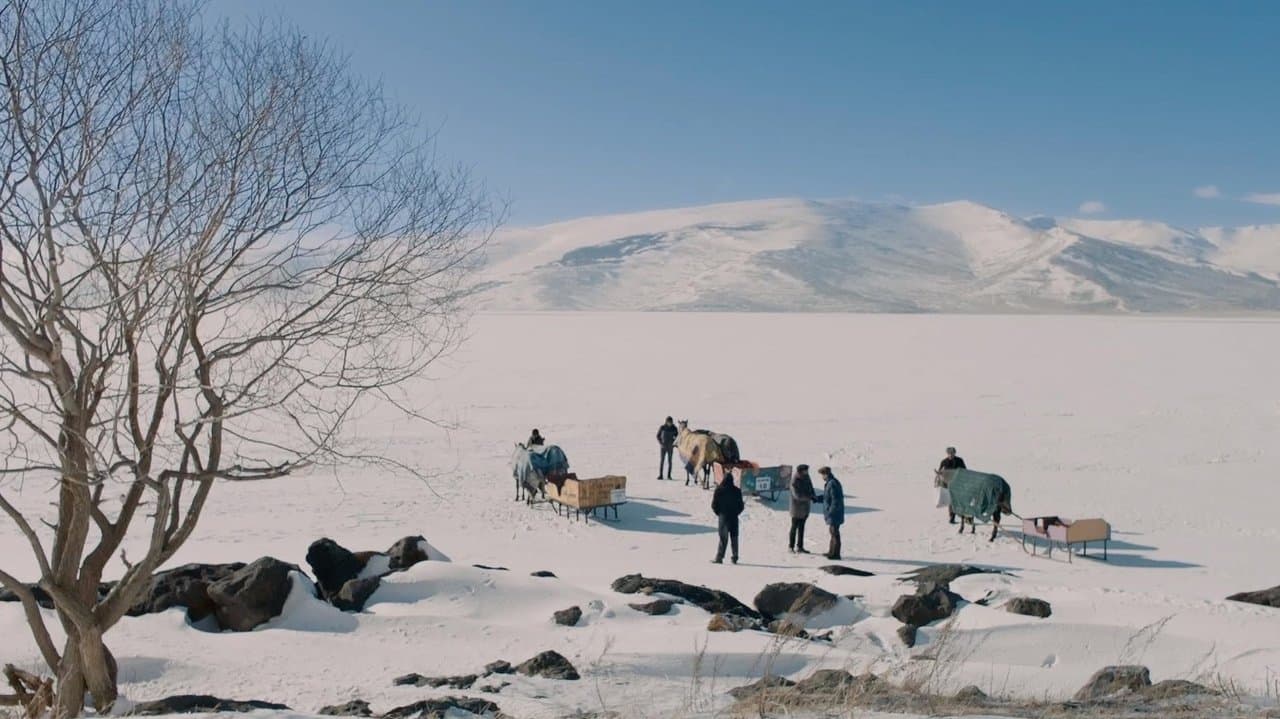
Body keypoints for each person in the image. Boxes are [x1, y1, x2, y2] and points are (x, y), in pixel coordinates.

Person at [711, 467, 745, 564]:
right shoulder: (737, 491)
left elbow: (714, 505)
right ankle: (735, 557)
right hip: (734, 518)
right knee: (734, 538)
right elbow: (741, 506)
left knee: (723, 538)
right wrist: (736, 513)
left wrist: (719, 513)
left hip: (723, 518)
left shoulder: (718, 490)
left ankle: (719, 557)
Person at [815, 466, 845, 560]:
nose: (822, 477)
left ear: (826, 474)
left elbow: (835, 500)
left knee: (834, 533)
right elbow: (827, 497)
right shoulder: (830, 482)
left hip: (834, 514)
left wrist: (830, 512)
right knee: (833, 532)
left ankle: (835, 554)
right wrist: (817, 499)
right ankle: (831, 552)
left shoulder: (832, 483)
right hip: (834, 513)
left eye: (822, 475)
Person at [788, 464, 817, 554]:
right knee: (794, 528)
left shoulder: (807, 477)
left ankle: (800, 546)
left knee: (802, 528)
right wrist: (809, 497)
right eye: (805, 470)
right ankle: (791, 546)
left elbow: (811, 487)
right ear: (801, 471)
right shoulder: (794, 480)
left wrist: (813, 495)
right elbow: (797, 495)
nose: (807, 472)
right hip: (796, 509)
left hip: (805, 508)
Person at [938, 446, 966, 524]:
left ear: (955, 453)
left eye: (952, 453)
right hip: (948, 484)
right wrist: (939, 474)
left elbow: (964, 470)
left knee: (959, 500)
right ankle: (952, 517)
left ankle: (964, 516)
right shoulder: (944, 462)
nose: (951, 455)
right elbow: (940, 472)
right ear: (947, 454)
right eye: (949, 453)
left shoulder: (959, 460)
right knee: (951, 501)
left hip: (958, 484)